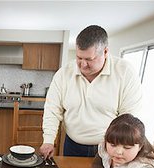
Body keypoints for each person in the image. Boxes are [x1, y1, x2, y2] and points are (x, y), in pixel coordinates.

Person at [40, 25, 143, 159]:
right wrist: (48, 140)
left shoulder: (125, 72)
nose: (82, 64)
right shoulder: (64, 73)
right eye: (79, 58)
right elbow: (52, 109)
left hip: (110, 148)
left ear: (105, 52)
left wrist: (120, 150)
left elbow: (129, 118)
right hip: (72, 145)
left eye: (89, 59)